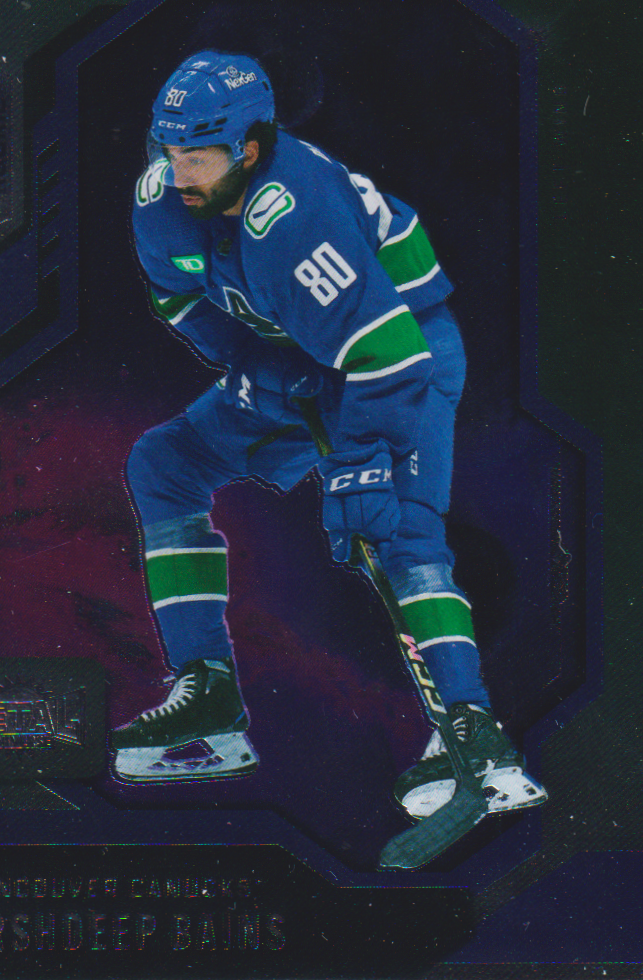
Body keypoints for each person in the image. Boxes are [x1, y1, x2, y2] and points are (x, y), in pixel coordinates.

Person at [111, 50, 547, 824]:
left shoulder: (296, 212)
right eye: (169, 150)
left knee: (396, 528)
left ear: (250, 147)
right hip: (297, 356)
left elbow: (388, 353)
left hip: (399, 353)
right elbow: (177, 300)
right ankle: (208, 697)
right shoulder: (161, 198)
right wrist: (255, 363)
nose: (179, 174)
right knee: (164, 464)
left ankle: (473, 732)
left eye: (199, 156)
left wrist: (360, 463)